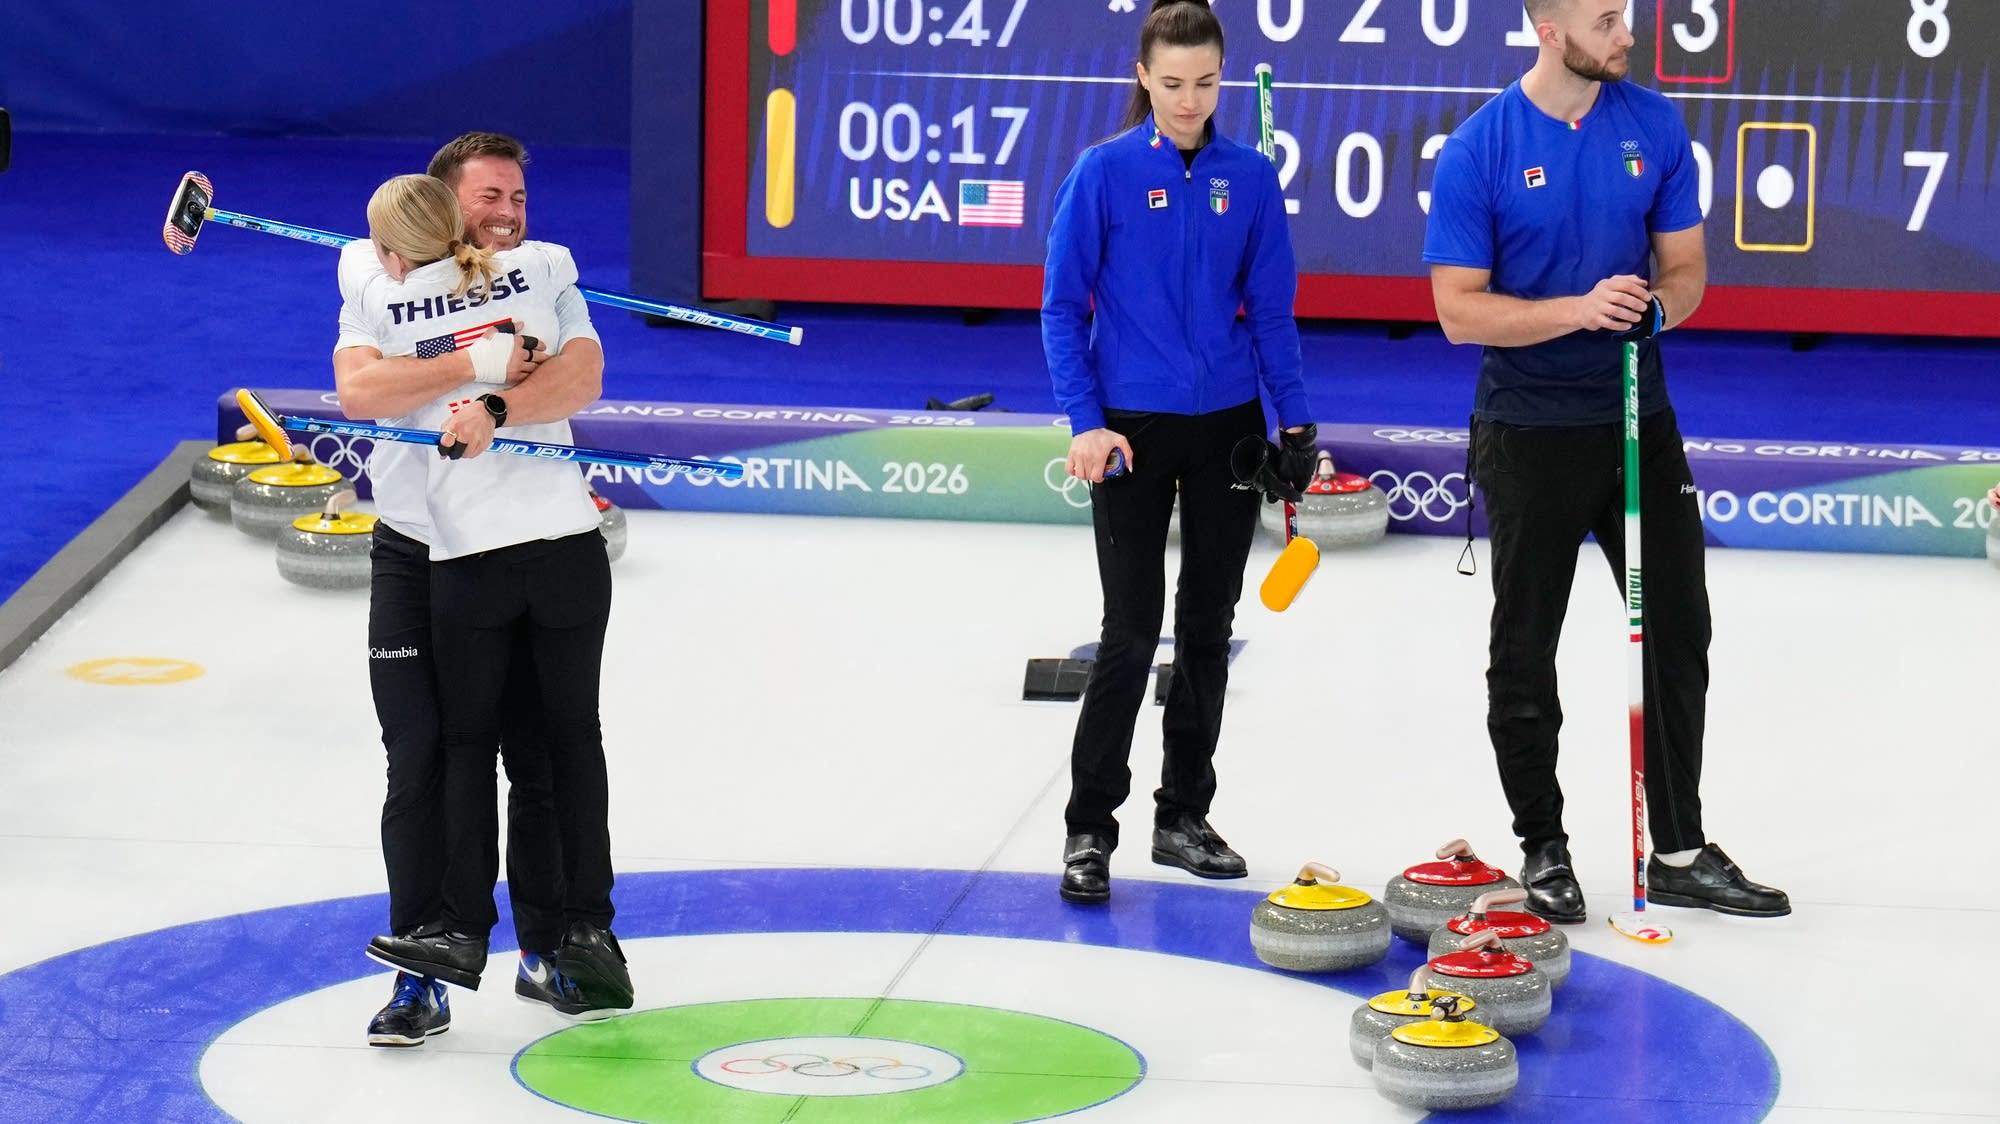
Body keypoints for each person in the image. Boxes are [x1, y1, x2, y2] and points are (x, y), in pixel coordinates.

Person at [1422, 0, 1787, 922]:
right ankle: (1543, 848)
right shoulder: (1481, 148)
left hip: (1635, 418)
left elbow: (1687, 272)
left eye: (1624, 15)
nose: (1628, 34)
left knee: (1677, 629)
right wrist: (1577, 311)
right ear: (1551, 30)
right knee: (1525, 646)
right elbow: (1460, 312)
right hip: (1529, 432)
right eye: (1608, 19)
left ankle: (1678, 847)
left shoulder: (1654, 124)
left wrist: (1651, 312)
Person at [331, 137, 625, 1045]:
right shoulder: (366, 270)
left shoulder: (541, 272)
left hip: (507, 546)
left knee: (536, 752)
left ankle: (550, 949)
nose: (509, 211)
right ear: (444, 205)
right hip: (415, 550)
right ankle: (427, 967)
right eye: (490, 195)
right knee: (422, 756)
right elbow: (360, 389)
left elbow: (581, 375)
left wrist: (493, 403)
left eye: (519, 195)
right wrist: (475, 362)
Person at [1042, 0, 1315, 905]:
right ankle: (1090, 829)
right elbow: (1061, 307)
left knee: (1207, 628)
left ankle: (1182, 816)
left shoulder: (1250, 176)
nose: (1189, 100)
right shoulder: (1105, 173)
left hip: (1227, 430)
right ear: (1141, 78)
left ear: (1221, 77)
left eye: (1204, 83)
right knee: (1129, 632)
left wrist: (1296, 424)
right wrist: (1086, 420)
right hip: (1130, 432)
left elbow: (1271, 311)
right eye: (1171, 84)